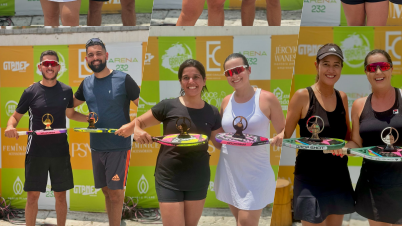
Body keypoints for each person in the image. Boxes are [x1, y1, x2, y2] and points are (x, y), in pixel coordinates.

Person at [331, 49, 402, 226]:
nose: (378, 72)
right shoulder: (359, 105)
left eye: (383, 66)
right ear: (366, 72)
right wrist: (343, 149)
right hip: (373, 186)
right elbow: (356, 143)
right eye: (372, 68)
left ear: (391, 69)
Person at [129, 60, 222, 226]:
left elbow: (219, 143)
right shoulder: (168, 106)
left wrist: (240, 139)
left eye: (196, 77)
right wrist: (137, 131)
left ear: (204, 80)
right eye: (186, 77)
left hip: (197, 177)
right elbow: (137, 123)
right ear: (180, 81)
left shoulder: (212, 112)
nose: (191, 82)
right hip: (168, 177)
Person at [4, 50, 89, 226]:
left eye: (53, 64)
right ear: (40, 67)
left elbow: (71, 114)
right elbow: (15, 117)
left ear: (58, 67)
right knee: (33, 196)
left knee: (60, 196)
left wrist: (88, 118)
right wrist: (10, 126)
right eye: (46, 64)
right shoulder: (30, 91)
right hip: (36, 152)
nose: (49, 67)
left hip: (60, 152)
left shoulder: (66, 90)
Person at [283, 44, 354, 226]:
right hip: (309, 178)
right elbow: (286, 134)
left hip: (338, 177)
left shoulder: (343, 98)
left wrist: (347, 148)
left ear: (341, 68)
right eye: (326, 64)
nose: (331, 70)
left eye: (336, 65)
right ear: (317, 66)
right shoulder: (302, 96)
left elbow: (349, 138)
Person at [73, 38, 140, 226]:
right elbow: (69, 110)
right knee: (106, 191)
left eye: (99, 53)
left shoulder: (123, 78)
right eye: (91, 55)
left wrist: (131, 126)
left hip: (118, 146)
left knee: (116, 194)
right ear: (86, 59)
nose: (95, 58)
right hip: (96, 146)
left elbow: (144, 108)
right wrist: (86, 118)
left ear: (106, 56)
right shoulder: (85, 83)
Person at [214, 53, 285, 226]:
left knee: (245, 222)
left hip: (255, 174)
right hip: (230, 172)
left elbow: (284, 130)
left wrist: (280, 137)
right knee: (240, 221)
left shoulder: (267, 98)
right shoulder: (225, 101)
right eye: (229, 73)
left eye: (238, 70)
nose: (234, 76)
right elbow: (220, 136)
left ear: (249, 70)